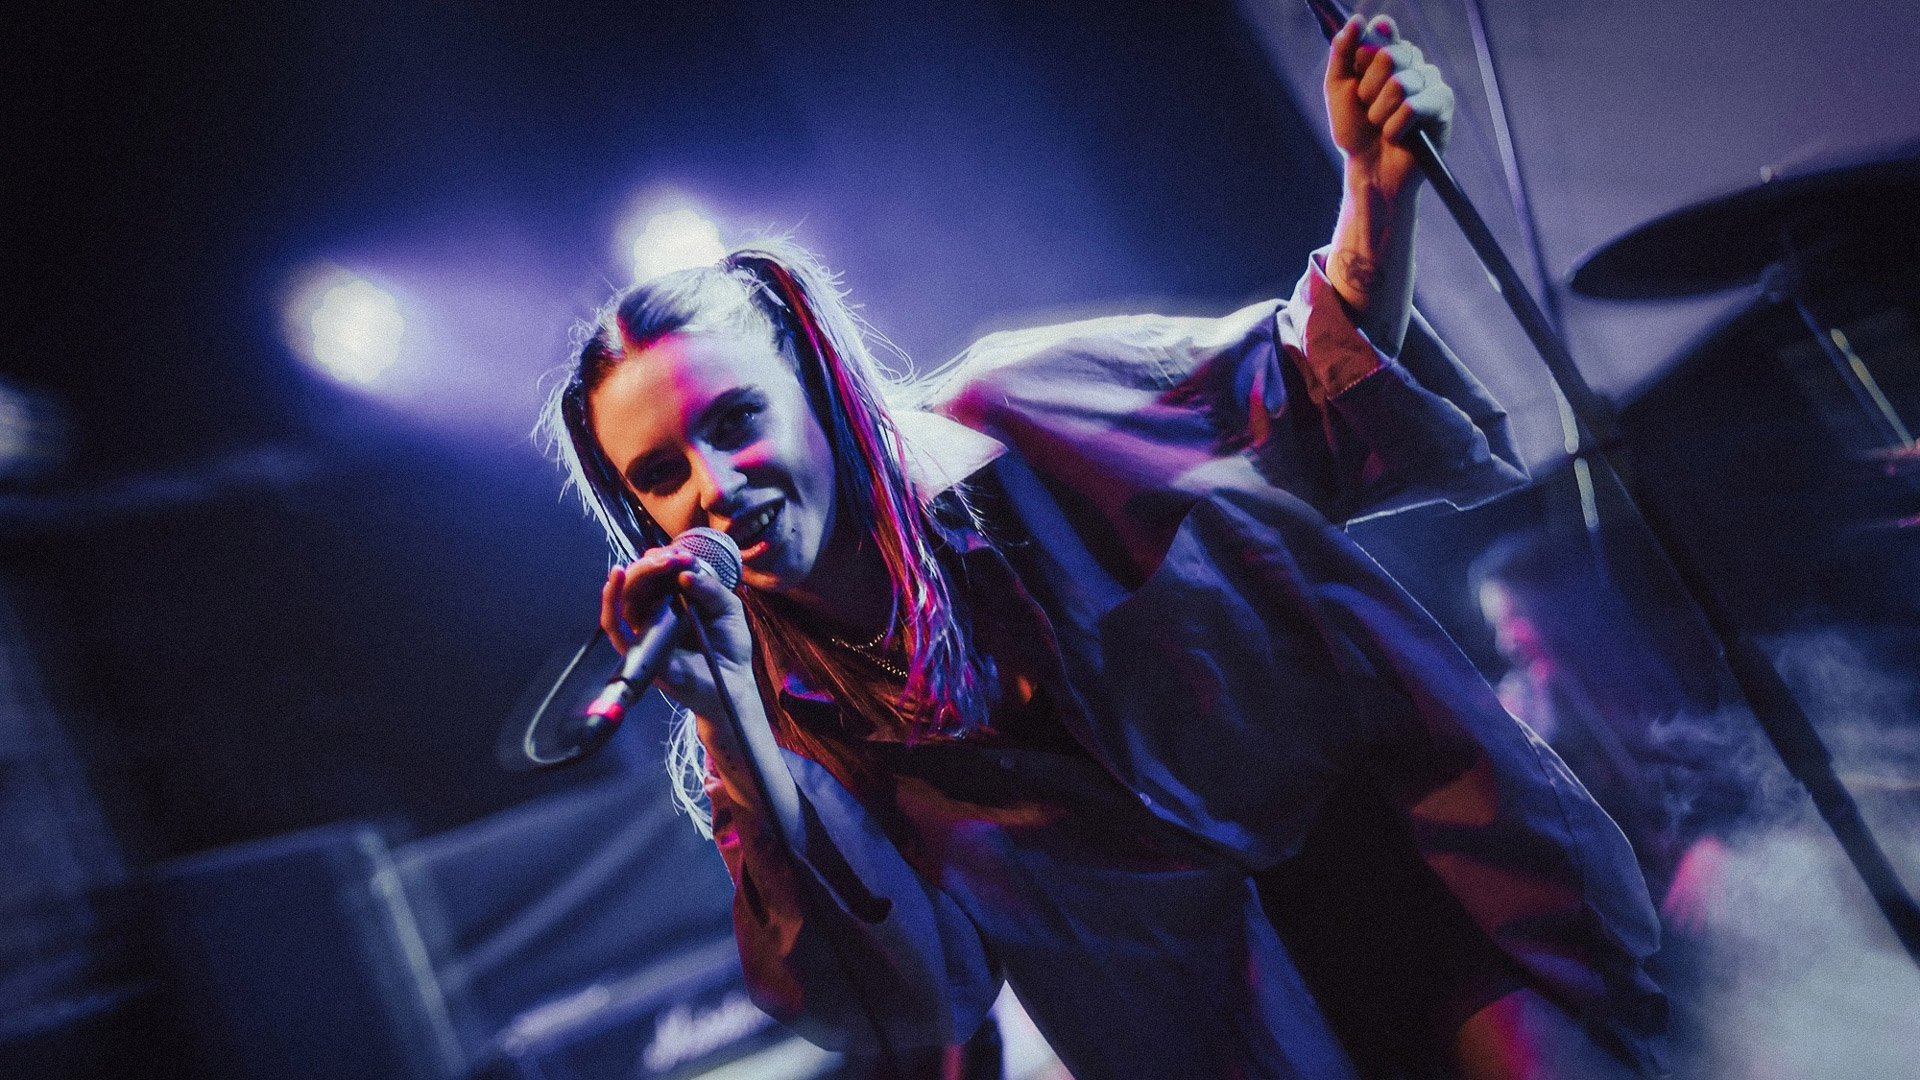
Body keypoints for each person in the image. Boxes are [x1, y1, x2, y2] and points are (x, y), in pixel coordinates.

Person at [543, 16, 1665, 1080]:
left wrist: (1376, 190)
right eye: (661, 474)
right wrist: (732, 717)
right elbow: (899, 1003)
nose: (712, 483)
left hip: (1425, 882)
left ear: (815, 387)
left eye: (736, 420)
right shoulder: (772, 728)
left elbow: (1301, 386)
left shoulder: (1024, 414)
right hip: (1232, 1040)